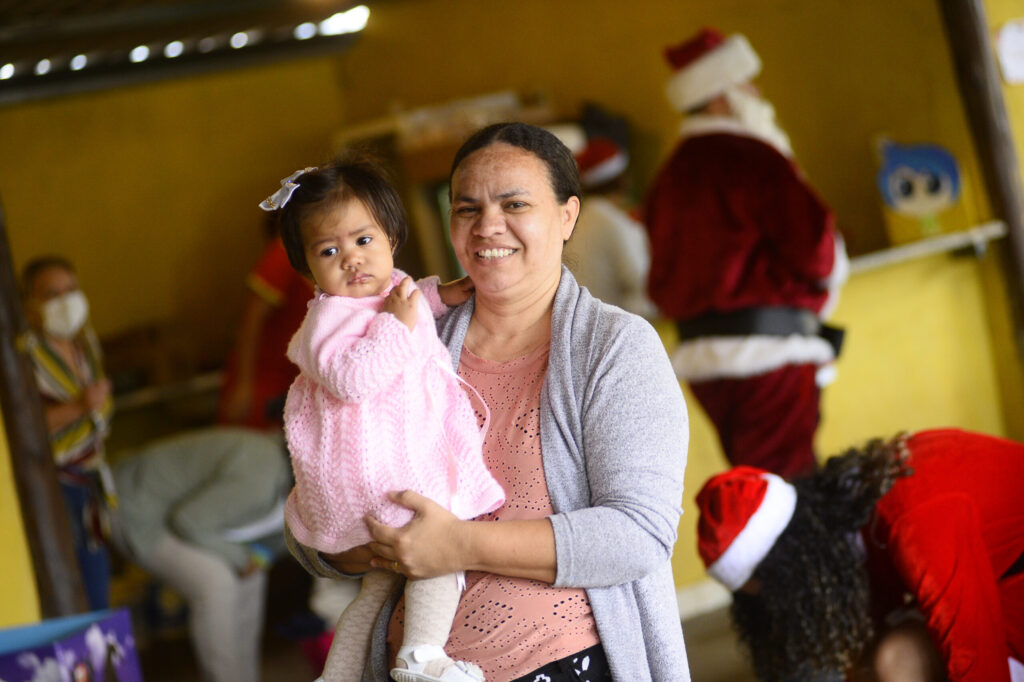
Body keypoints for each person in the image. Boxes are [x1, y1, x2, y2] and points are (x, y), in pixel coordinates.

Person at [287, 122, 691, 681]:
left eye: (514, 203)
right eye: (467, 208)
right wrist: (351, 546)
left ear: (567, 215)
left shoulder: (615, 348)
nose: (487, 225)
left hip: (561, 662)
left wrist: (457, 545)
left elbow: (638, 535)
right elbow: (318, 488)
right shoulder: (400, 334)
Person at [263, 156, 506, 682]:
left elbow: (398, 299)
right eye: (329, 251)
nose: (352, 259)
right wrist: (397, 325)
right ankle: (423, 658)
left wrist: (437, 296)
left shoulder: (385, 291)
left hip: (382, 475)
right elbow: (352, 378)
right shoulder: (325, 319)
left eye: (363, 240)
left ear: (391, 236)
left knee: (378, 590)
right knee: (440, 554)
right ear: (307, 271)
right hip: (378, 476)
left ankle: (338, 675)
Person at [643, 27, 848, 478]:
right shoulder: (755, 157)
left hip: (704, 367)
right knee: (788, 491)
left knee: (756, 488)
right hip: (769, 359)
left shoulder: (667, 179)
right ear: (722, 97)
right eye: (746, 83)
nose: (757, 94)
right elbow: (818, 252)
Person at [694, 428, 1024, 682]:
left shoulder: (911, 519)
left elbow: (976, 656)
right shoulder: (853, 509)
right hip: (994, 578)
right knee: (872, 660)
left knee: (897, 661)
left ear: (797, 567)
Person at [112, 426, 292, 682]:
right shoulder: (263, 474)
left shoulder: (294, 479)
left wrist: (256, 559)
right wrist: (243, 559)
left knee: (253, 577)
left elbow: (273, 540)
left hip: (177, 515)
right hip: (135, 509)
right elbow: (188, 521)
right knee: (217, 584)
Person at [21, 255, 115, 611]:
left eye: (71, 290)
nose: (65, 301)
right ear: (30, 306)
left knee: (97, 582)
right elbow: (25, 427)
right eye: (51, 294)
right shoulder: (26, 357)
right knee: (75, 590)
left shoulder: (84, 344)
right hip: (58, 485)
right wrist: (78, 407)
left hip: (91, 480)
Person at [217, 219, 314, 429]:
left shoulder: (331, 253)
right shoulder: (283, 254)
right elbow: (250, 323)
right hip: (262, 381)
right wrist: (243, 386)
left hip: (295, 382)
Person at [562, 136, 657, 319]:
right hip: (613, 323)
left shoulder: (577, 219)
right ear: (623, 180)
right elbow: (639, 279)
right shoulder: (611, 221)